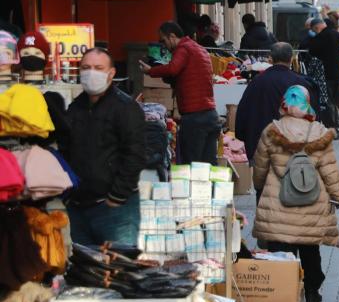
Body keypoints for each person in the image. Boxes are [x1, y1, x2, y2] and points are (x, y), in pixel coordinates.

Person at [252, 85, 339, 302]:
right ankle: (312, 289)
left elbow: (260, 166)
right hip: (311, 199)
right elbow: (329, 169)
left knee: (281, 246)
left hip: (279, 199)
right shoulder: (318, 131)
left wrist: (259, 187)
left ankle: (282, 292)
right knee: (309, 247)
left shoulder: (272, 130)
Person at [63, 48, 145, 246]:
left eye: (98, 68)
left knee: (119, 271)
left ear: (111, 73)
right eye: (86, 67)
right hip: (78, 209)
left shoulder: (125, 108)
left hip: (115, 210)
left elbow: (135, 154)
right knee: (84, 272)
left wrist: (117, 195)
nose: (91, 72)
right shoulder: (75, 108)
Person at [141, 22, 219, 165]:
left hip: (195, 117)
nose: (164, 45)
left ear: (172, 37)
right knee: (209, 165)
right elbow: (185, 75)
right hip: (210, 115)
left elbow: (173, 69)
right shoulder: (200, 49)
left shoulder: (183, 48)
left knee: (192, 166)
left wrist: (150, 71)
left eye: (163, 40)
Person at [235, 42, 319, 161]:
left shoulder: (256, 82)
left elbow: (242, 115)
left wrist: (246, 139)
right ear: (291, 59)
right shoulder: (301, 84)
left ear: (271, 59)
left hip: (260, 148)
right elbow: (312, 118)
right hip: (292, 150)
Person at [306, 16, 339, 111]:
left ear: (316, 27)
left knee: (328, 101)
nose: (314, 33)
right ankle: (335, 122)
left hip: (326, 74)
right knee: (336, 101)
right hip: (338, 73)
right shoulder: (337, 34)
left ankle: (330, 122)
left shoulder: (321, 37)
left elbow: (313, 51)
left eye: (314, 31)